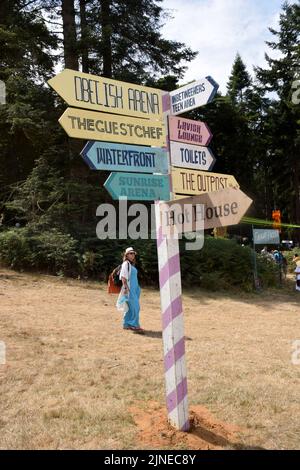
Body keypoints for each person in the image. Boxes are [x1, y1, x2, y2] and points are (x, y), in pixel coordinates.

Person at [116, 247, 144, 333]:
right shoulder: (126, 264)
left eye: (133, 253)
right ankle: (134, 325)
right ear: (126, 255)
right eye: (130, 253)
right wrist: (125, 288)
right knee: (136, 307)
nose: (132, 255)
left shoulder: (131, 265)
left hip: (134, 289)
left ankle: (126, 324)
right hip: (129, 289)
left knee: (130, 307)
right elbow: (123, 277)